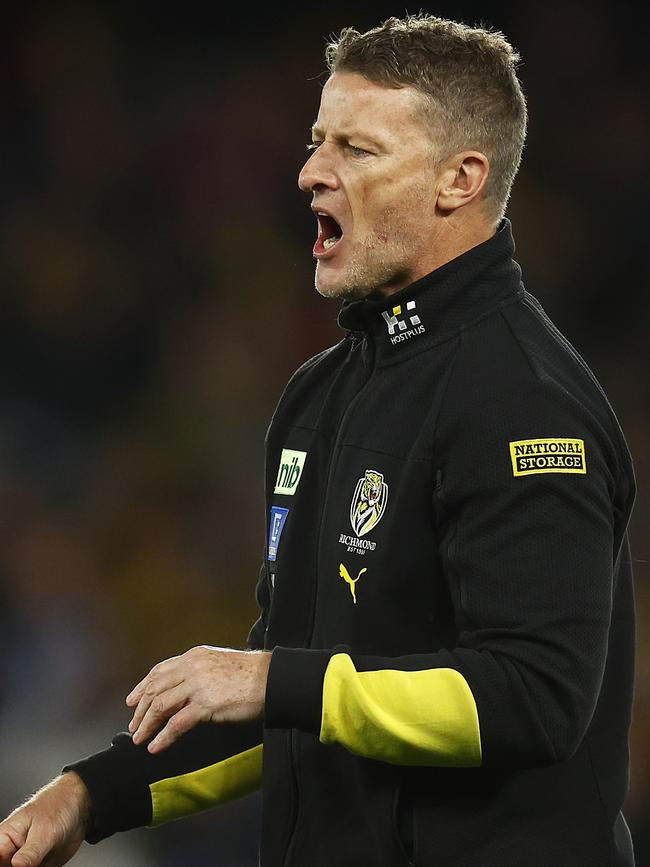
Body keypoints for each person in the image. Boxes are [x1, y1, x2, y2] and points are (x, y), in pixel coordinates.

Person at [0, 13, 637, 867]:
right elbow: (298, 710)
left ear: (460, 179)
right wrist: (90, 793)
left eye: (357, 149)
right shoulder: (320, 396)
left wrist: (272, 679)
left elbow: (537, 694)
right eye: (316, 140)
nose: (310, 173)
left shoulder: (524, 399)